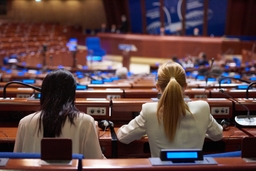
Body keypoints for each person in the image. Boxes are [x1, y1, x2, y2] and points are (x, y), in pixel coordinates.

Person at [117, 62, 223, 157]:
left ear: (158, 87)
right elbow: (218, 135)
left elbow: (123, 137)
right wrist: (201, 129)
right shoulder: (203, 108)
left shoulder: (149, 110)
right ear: (185, 86)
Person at [14, 69, 105, 159]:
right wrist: (94, 133)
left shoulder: (24, 122)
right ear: (72, 94)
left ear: (44, 93)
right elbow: (95, 161)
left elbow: (15, 162)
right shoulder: (86, 122)